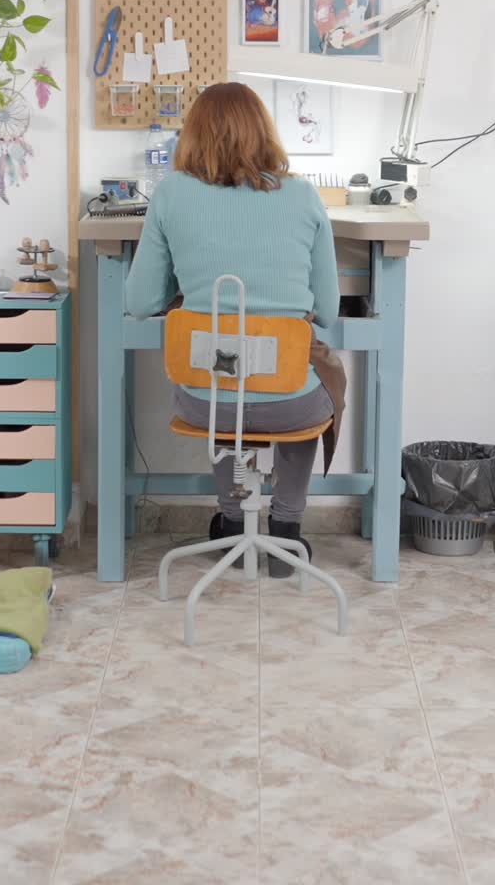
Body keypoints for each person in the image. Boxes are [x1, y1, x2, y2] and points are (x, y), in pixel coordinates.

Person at [124, 82, 343, 576]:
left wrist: (188, 294)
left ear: (193, 135)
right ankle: (287, 526)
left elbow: (138, 303)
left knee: (224, 373)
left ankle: (229, 519)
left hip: (206, 400)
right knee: (301, 377)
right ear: (264, 130)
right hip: (292, 405)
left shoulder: (171, 194)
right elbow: (327, 309)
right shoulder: (304, 195)